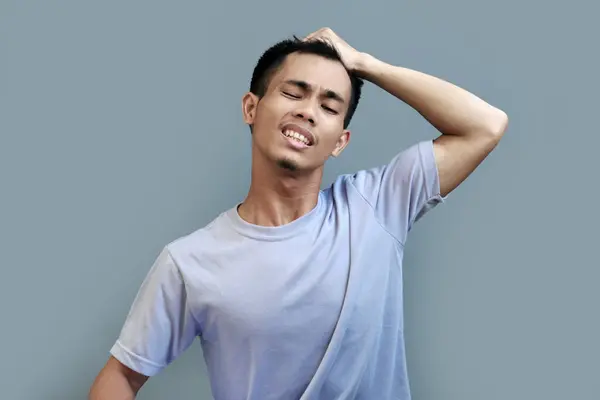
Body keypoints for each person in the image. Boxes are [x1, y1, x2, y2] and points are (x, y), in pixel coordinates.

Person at [89, 27, 508, 400]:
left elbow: (485, 125)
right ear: (251, 108)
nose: (307, 111)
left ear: (340, 141)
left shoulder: (377, 205)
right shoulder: (190, 262)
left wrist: (364, 64)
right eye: (293, 92)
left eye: (329, 106)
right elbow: (121, 378)